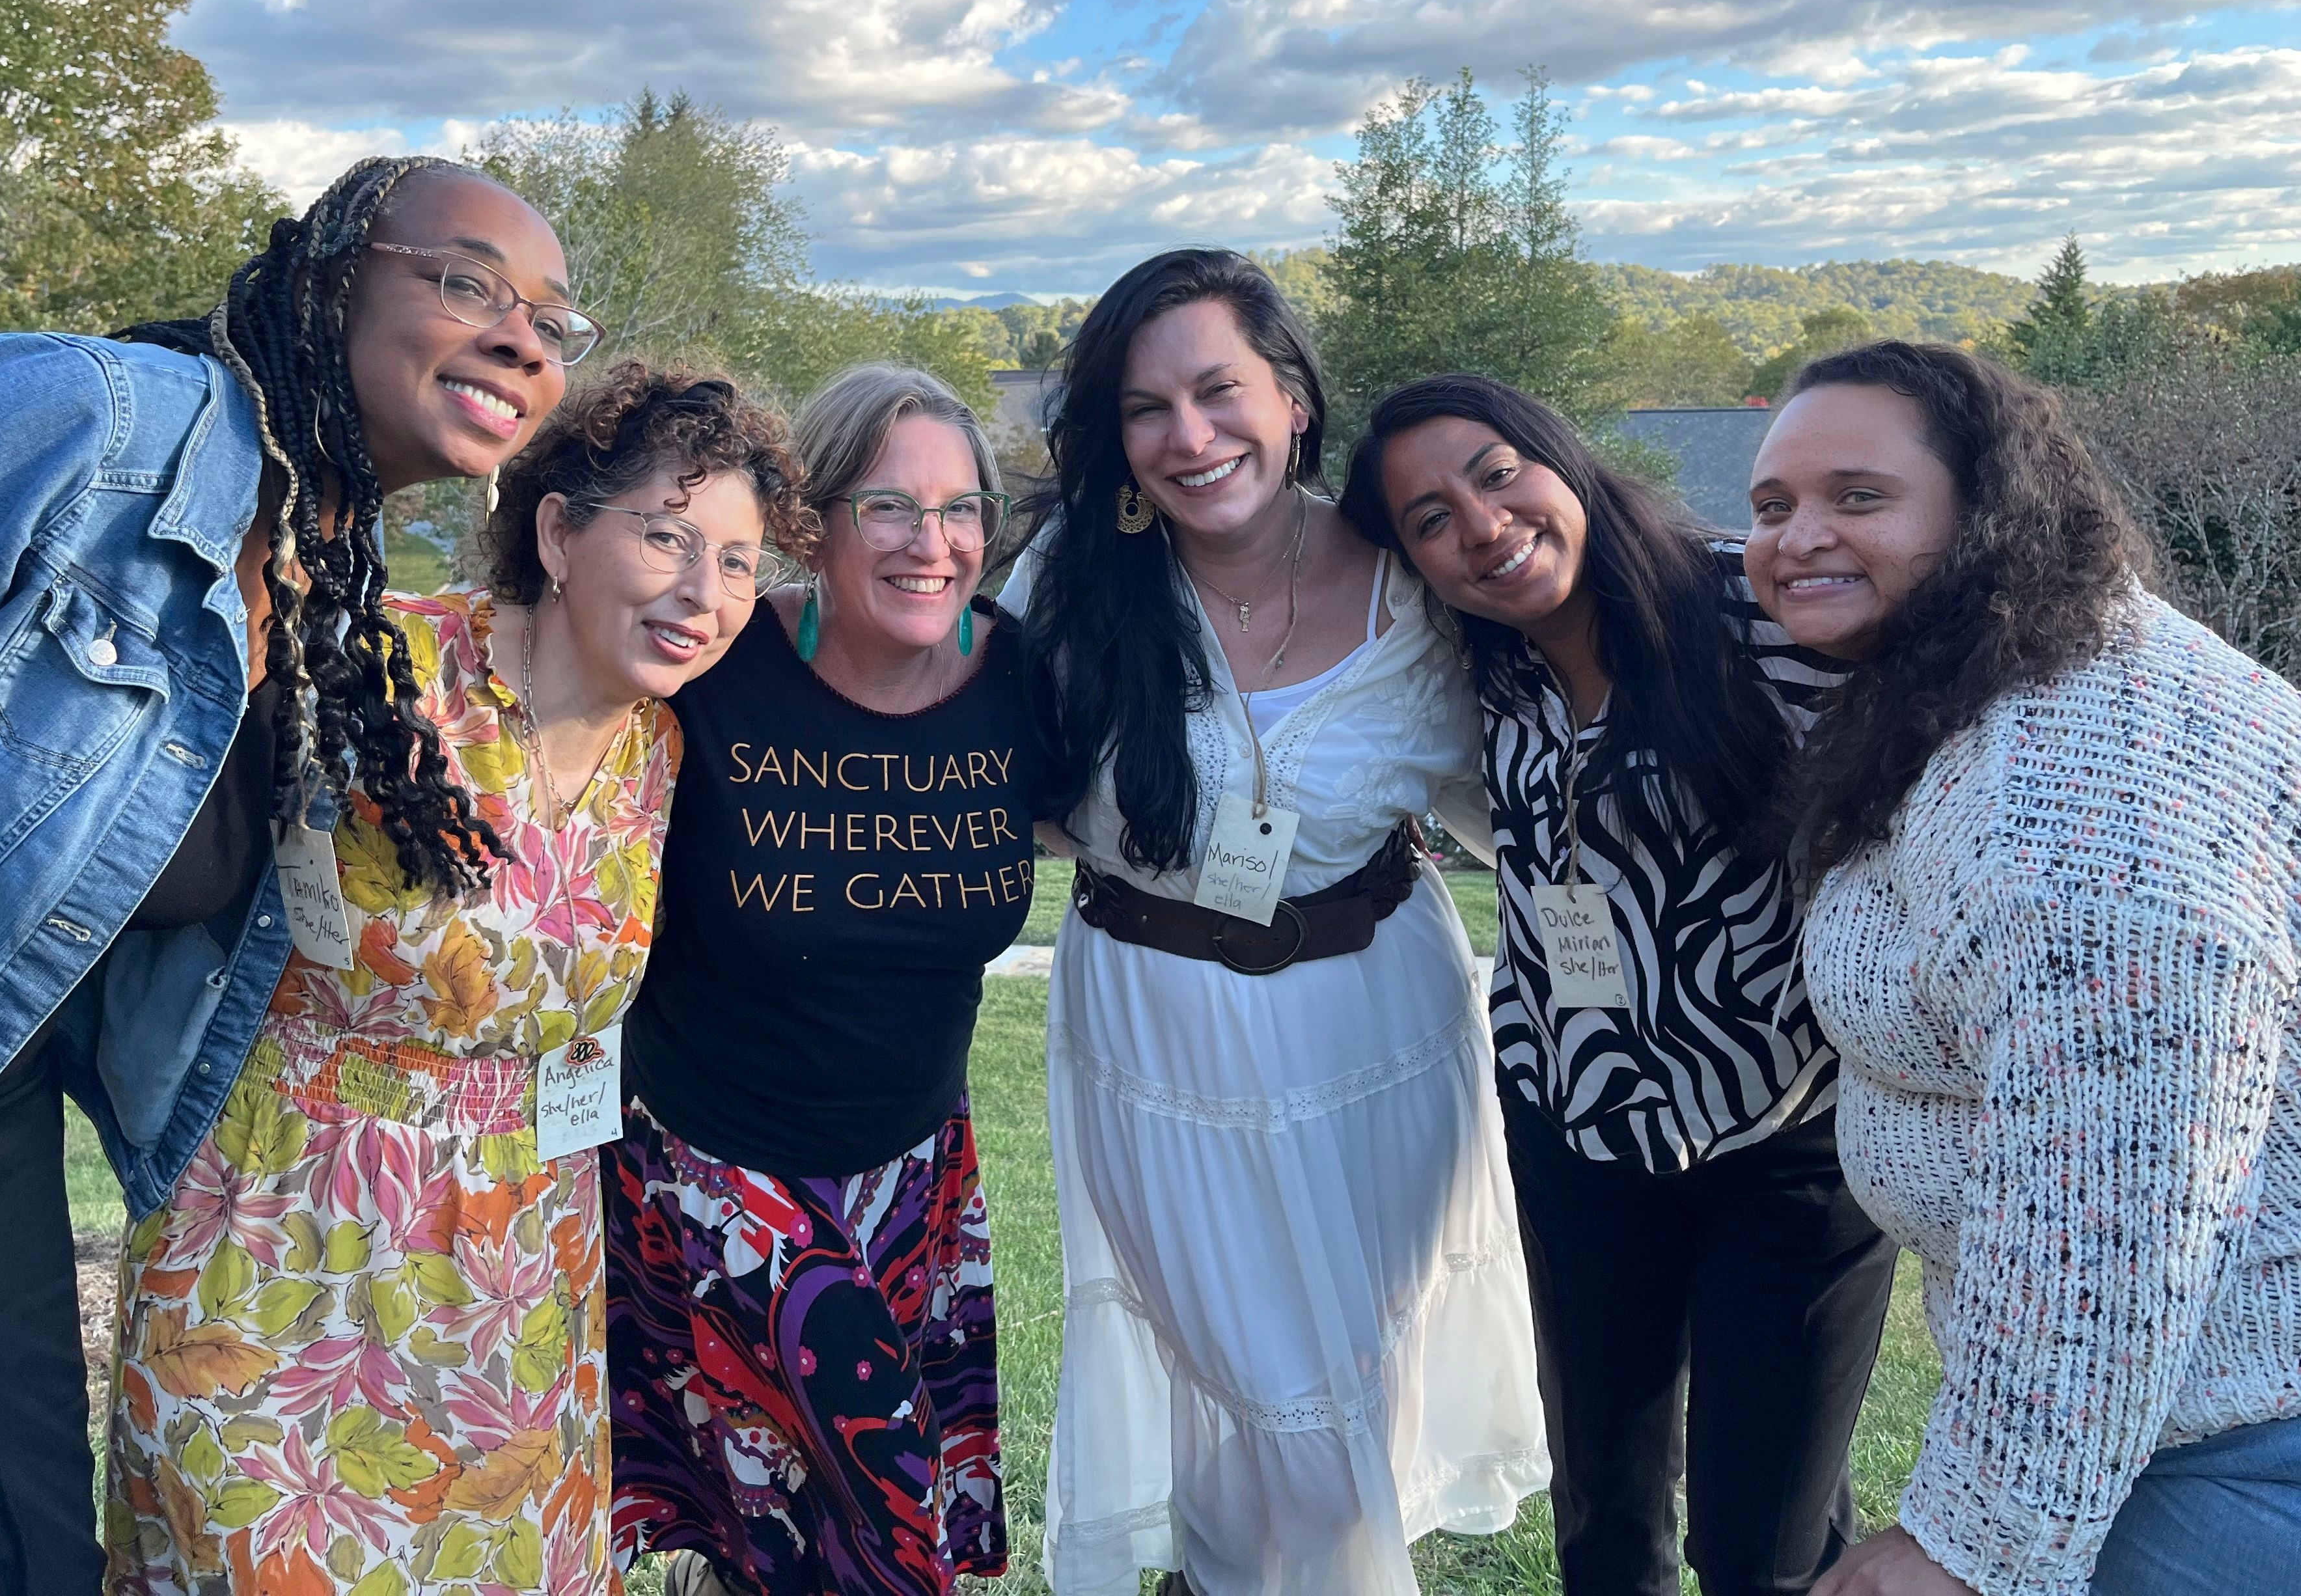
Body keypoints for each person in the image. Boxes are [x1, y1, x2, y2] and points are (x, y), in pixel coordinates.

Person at [0, 156, 589, 1595]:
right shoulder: (86, 424)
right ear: (328, 283)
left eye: (553, 321)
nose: (522, 339)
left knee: (29, 1555)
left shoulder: (317, 581)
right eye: (468, 283)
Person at [101, 363, 802, 1594]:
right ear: (559, 534)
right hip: (282, 1235)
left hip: (520, 1279)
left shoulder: (667, 749)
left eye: (738, 561)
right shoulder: (374, 671)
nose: (705, 592)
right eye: (667, 537)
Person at [1743, 341, 2301, 1596]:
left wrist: (1972, 1547)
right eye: (1773, 505)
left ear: (1991, 509)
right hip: (2207, 1429)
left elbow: (2113, 1226)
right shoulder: (1999, 680)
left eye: (1859, 497)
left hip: (2283, 1455)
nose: (1797, 536)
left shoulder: (2086, 798)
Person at [1002, 252, 1549, 1596]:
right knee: (1264, 1394)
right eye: (1146, 410)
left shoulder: (1415, 581)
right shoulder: (1075, 575)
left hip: (1381, 1033)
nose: (1189, 438)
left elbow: (1525, 798)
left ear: (1294, 399)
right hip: (1158, 1036)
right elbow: (977, 754)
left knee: (1352, 1384)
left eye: (1218, 391)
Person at [1340, 373, 1897, 1596]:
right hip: (1576, 1125)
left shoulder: (1756, 610)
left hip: (1786, 1136)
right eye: (1430, 520)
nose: (1482, 526)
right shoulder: (1477, 666)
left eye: (1497, 475)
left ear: (1562, 458)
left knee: (1765, 1543)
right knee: (1605, 1519)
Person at [605, 363, 1043, 1596]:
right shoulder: (717, 663)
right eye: (888, 506)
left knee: (795, 1539)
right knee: (873, 1537)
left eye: (961, 510)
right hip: (723, 1166)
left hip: (919, 1176)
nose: (932, 544)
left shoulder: (1022, 678)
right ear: (815, 521)